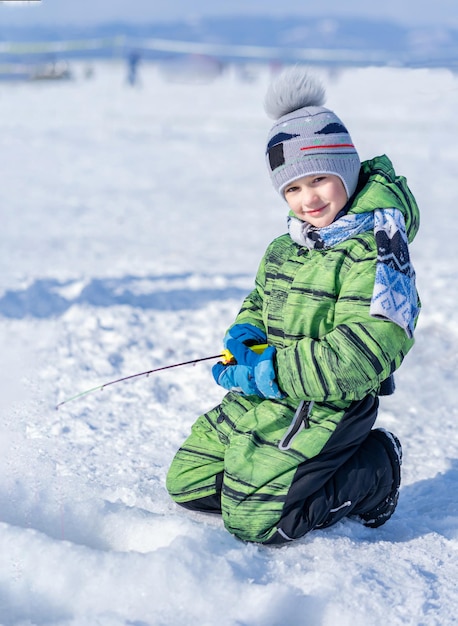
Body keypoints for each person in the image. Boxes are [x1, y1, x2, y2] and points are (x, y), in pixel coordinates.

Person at [166, 67, 420, 545]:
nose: (307, 199)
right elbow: (260, 300)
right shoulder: (287, 245)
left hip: (330, 402)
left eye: (319, 179)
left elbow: (365, 351)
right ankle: (277, 475)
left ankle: (375, 467)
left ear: (344, 169)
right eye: (292, 188)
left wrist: (272, 372)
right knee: (189, 481)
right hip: (274, 392)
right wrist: (244, 338)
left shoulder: (379, 247)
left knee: (255, 522)